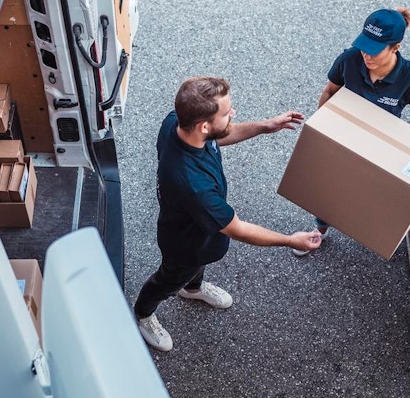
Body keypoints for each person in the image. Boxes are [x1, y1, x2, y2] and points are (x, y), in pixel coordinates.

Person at [134, 77, 322, 351]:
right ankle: (143, 314)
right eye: (226, 112)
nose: (233, 113)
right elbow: (238, 229)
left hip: (202, 232)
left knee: (196, 267)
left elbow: (220, 136)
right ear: (204, 125)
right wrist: (291, 240)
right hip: (185, 245)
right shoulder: (195, 186)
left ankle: (192, 289)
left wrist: (265, 126)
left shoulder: (177, 123)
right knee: (168, 279)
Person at [292, 7, 410, 256]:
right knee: (330, 187)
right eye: (364, 46)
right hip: (344, 136)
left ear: (395, 48)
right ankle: (320, 229)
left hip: (380, 146)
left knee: (369, 192)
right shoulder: (349, 59)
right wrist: (320, 128)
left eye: (375, 49)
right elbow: (330, 91)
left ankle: (371, 231)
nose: (366, 55)